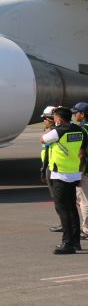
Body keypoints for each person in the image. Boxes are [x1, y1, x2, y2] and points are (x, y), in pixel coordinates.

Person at [41, 106, 87, 254]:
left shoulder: (58, 131)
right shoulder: (79, 130)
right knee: (72, 208)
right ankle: (75, 242)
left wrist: (54, 128)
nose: (53, 119)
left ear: (60, 119)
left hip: (60, 174)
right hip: (73, 173)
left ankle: (67, 243)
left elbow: (43, 139)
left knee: (63, 209)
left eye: (55, 117)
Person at [71, 102, 88, 240]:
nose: (74, 115)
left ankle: (86, 230)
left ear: (82, 114)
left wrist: (78, 171)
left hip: (85, 168)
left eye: (76, 113)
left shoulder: (82, 129)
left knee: (84, 200)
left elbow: (81, 154)